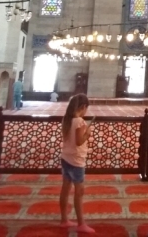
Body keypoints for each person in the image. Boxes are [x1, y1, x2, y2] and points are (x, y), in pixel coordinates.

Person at [60, 94, 95, 234]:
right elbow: (79, 141)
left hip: (66, 158)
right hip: (76, 160)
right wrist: (88, 133)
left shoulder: (67, 119)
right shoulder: (80, 121)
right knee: (79, 192)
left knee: (65, 189)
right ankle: (81, 223)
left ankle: (64, 220)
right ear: (83, 107)